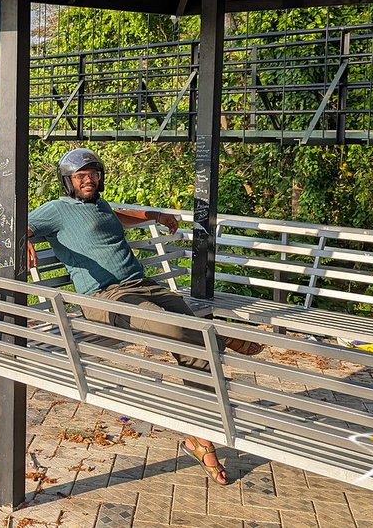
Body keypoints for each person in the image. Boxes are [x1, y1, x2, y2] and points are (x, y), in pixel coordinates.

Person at [26, 147, 262, 486]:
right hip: (105, 298)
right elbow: (17, 224)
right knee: (182, 330)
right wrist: (21, 238)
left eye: (93, 174)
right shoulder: (57, 210)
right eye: (80, 176)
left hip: (143, 285)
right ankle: (222, 336)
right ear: (68, 181)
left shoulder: (100, 205)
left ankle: (201, 438)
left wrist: (155, 215)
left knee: (198, 349)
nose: (88, 180)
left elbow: (119, 215)